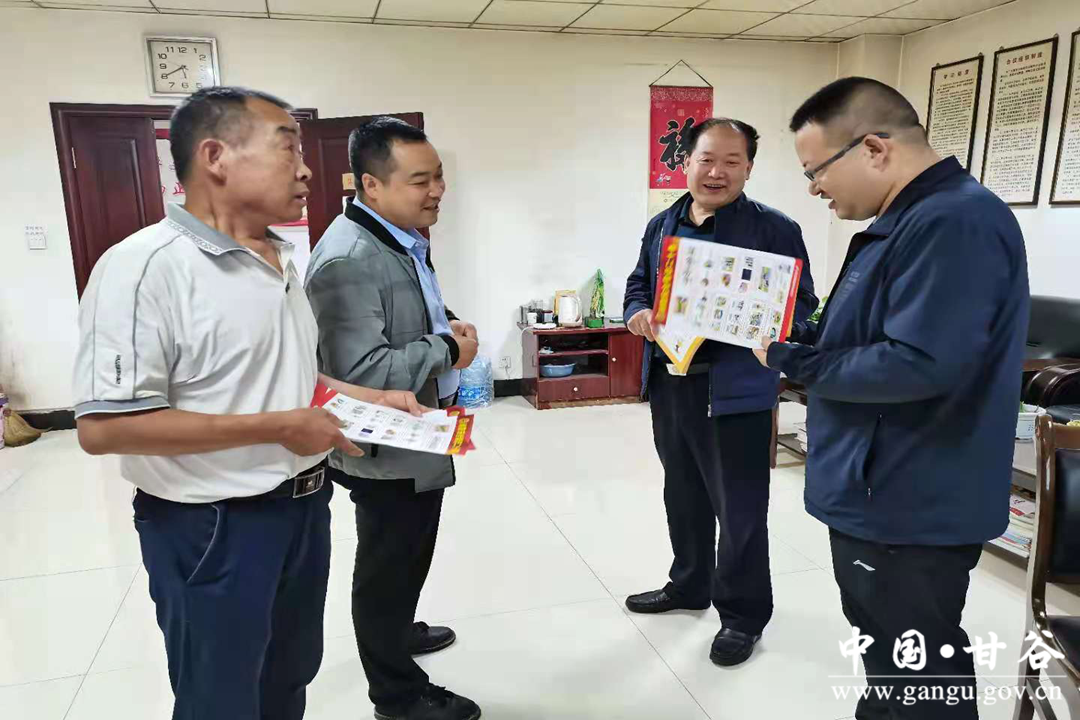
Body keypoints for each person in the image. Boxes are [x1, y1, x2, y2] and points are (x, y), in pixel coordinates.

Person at [72, 86, 426, 720]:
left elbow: (286, 379)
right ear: (216, 157)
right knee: (222, 698)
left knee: (288, 679)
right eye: (288, 148)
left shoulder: (279, 260)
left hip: (304, 509)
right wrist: (280, 427)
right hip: (214, 523)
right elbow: (104, 427)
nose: (306, 169)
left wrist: (373, 397)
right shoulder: (145, 267)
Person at [756, 77, 1029, 719]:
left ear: (874, 149)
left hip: (911, 494)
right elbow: (873, 332)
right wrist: (804, 339)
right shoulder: (908, 219)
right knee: (887, 651)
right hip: (879, 486)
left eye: (815, 171)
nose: (813, 188)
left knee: (919, 668)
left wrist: (797, 362)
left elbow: (918, 363)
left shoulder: (953, 222)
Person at [623, 118, 818, 666]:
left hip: (737, 390)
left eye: (732, 161)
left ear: (749, 169)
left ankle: (743, 615)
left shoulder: (774, 229)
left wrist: (767, 321)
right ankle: (689, 584)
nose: (717, 172)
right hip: (672, 382)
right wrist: (638, 312)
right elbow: (638, 284)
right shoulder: (663, 223)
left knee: (740, 509)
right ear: (685, 163)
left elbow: (803, 302)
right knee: (682, 492)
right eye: (707, 159)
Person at [305, 117, 481, 720]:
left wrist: (443, 323)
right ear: (371, 185)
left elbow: (403, 316)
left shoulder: (397, 237)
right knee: (388, 565)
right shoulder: (349, 259)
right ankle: (396, 694)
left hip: (414, 432)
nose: (437, 191)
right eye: (420, 181)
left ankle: (398, 630)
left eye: (439, 177)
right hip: (384, 446)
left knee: (409, 553)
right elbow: (363, 372)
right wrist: (447, 349)